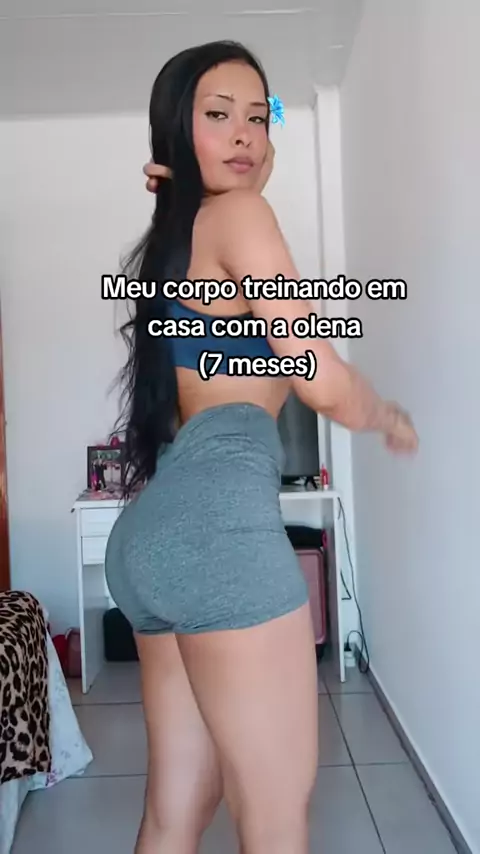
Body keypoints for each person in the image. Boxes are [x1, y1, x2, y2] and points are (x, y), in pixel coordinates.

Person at [105, 39, 418, 854]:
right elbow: (318, 376)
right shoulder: (238, 219)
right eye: (219, 116)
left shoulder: (181, 238)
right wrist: (385, 414)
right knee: (274, 822)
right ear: (178, 130)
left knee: (175, 813)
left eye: (259, 116)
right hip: (218, 533)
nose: (245, 133)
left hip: (153, 537)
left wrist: (223, 180)